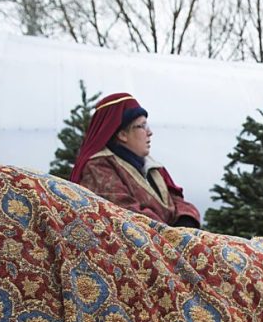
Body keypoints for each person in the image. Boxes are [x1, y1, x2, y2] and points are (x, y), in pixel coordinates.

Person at [70, 92, 201, 228]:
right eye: (142, 126)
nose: (150, 132)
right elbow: (127, 214)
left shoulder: (153, 167)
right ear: (122, 134)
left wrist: (186, 221)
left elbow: (177, 201)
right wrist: (174, 235)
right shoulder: (99, 167)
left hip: (168, 243)